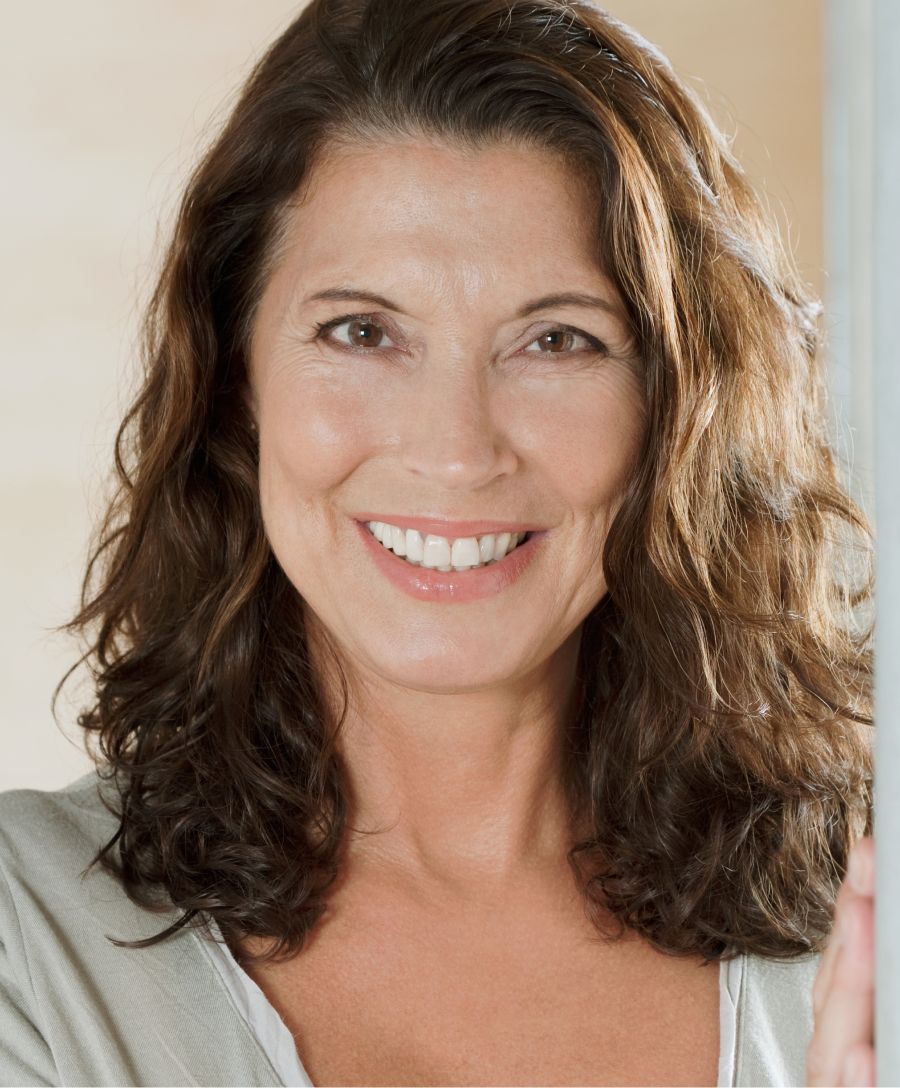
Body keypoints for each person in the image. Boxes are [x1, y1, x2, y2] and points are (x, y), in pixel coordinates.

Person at [0, 0, 876, 1085]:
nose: (457, 452)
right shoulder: (26, 945)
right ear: (238, 386)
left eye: (558, 339)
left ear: (677, 407)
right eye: (362, 331)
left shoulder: (864, 927)